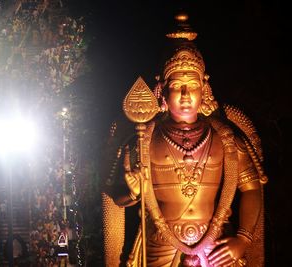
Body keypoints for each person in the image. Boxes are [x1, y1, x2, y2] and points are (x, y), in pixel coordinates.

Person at [102, 14, 267, 267]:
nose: (185, 94)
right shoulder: (145, 138)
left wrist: (243, 239)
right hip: (159, 243)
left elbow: (252, 188)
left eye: (192, 85)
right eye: (177, 85)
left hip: (216, 244)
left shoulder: (225, 137)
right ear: (163, 91)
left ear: (204, 88)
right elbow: (116, 197)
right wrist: (133, 193)